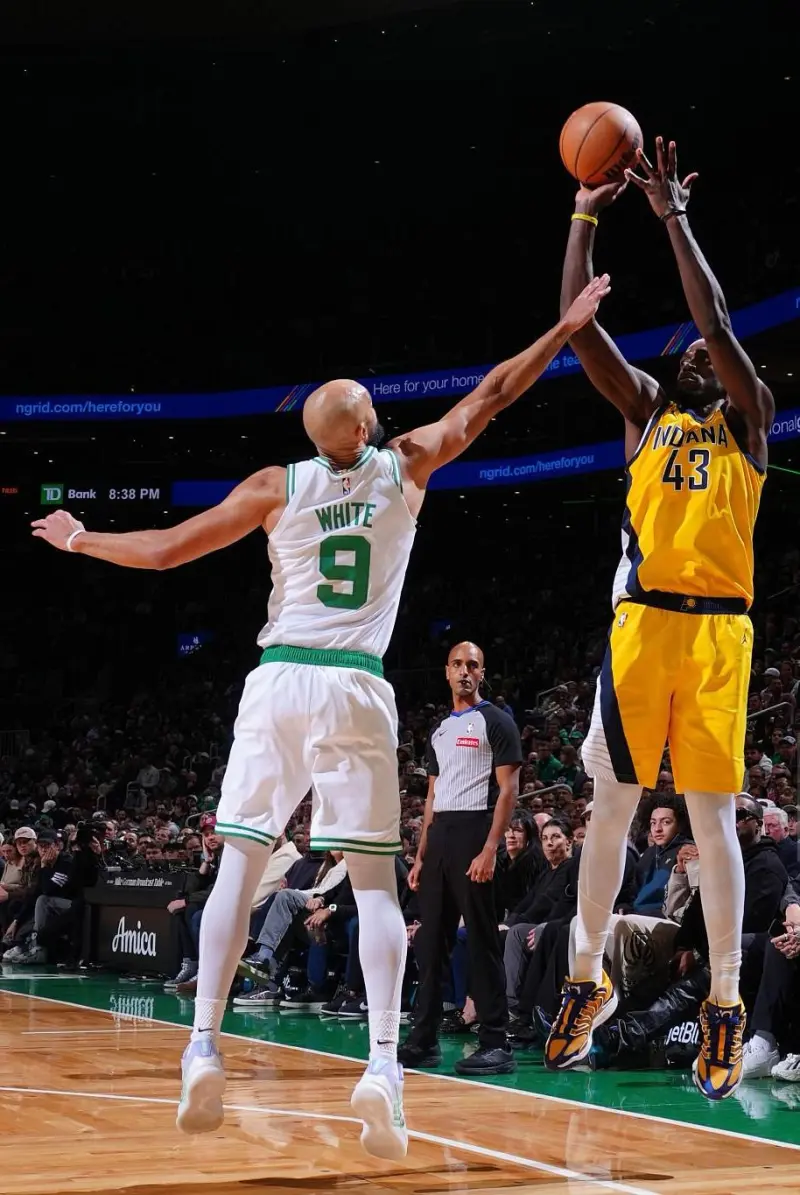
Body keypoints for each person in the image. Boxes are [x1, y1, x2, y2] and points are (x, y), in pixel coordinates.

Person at [30, 274, 610, 1158]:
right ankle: (381, 1065)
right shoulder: (404, 463)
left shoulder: (277, 484)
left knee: (238, 866)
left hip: (277, 679)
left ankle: (202, 1042)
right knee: (375, 883)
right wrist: (563, 329)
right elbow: (491, 394)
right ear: (363, 428)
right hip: (353, 682)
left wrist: (79, 538)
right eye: (371, 405)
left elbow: (167, 551)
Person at [547, 136, 775, 1103]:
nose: (693, 350)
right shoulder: (644, 411)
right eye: (682, 350)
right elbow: (579, 325)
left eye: (705, 352)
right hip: (642, 627)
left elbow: (714, 319)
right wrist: (584, 214)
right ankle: (585, 977)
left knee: (714, 821)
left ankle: (724, 999)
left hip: (720, 633)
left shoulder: (750, 419)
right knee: (612, 808)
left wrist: (674, 218)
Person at [399, 641, 522, 1075]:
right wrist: (420, 856)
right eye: (457, 664)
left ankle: (496, 1043)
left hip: (475, 832)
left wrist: (490, 848)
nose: (464, 671)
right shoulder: (439, 730)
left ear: (482, 673)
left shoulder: (497, 721)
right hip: (440, 838)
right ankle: (424, 1041)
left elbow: (508, 790)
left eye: (472, 665)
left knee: (483, 941)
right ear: (447, 672)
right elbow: (432, 797)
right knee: (431, 943)